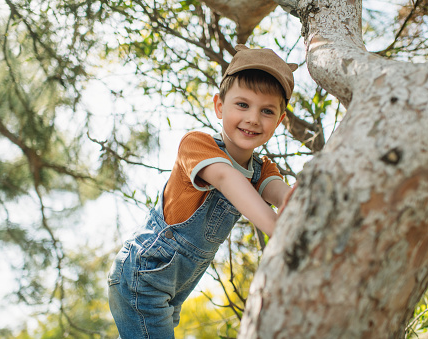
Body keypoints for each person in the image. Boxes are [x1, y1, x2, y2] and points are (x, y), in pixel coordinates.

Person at [108, 44, 298, 339]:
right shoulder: (197, 145)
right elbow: (226, 178)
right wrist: (278, 229)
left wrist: (302, 201)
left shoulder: (263, 170)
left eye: (267, 111)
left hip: (173, 289)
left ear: (279, 121)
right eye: (242, 105)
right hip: (143, 277)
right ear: (220, 106)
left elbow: (279, 193)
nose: (253, 118)